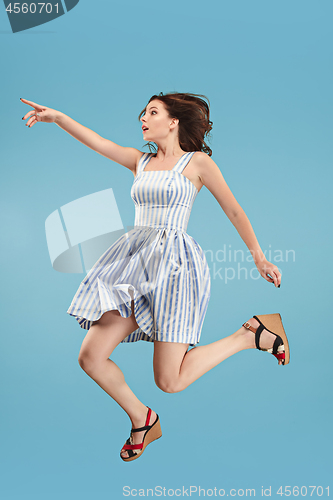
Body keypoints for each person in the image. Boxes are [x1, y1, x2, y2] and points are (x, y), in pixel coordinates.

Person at [21, 92, 290, 462]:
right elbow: (98, 143)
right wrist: (59, 118)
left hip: (175, 268)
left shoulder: (197, 164)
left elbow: (234, 209)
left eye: (152, 112)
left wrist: (259, 259)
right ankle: (142, 419)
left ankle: (251, 335)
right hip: (133, 263)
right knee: (91, 357)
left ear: (174, 121)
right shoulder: (140, 161)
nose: (143, 119)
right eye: (143, 113)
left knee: (170, 381)